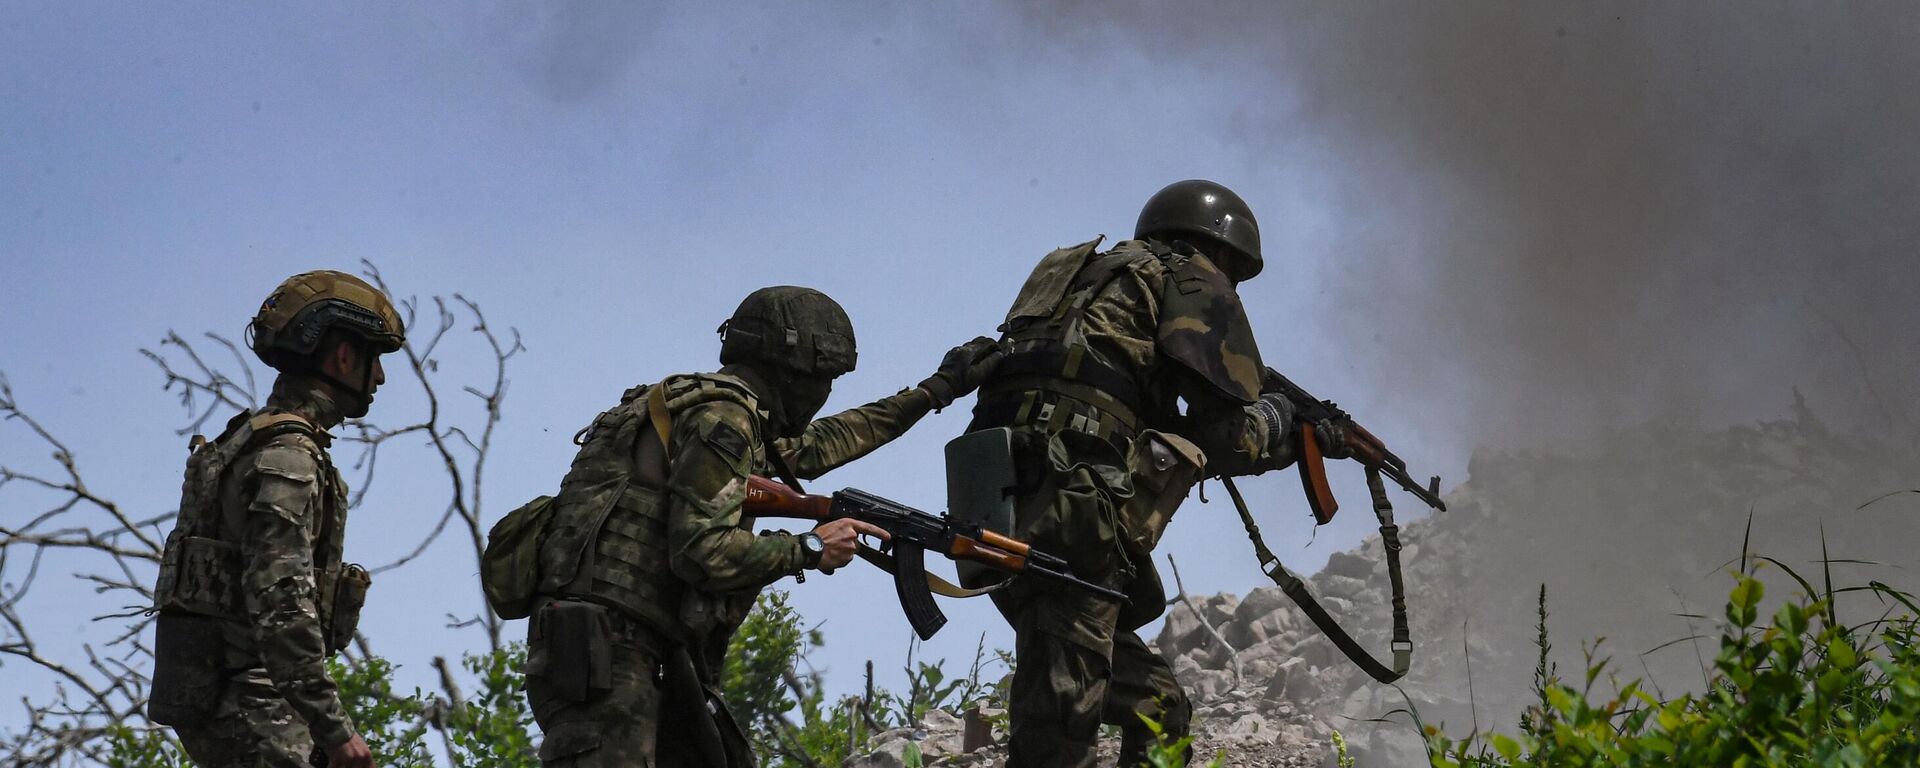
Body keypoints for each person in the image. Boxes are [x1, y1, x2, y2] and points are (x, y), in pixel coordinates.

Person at [525, 285, 1002, 767]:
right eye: (826, 378)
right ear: (794, 373)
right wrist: (811, 547)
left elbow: (826, 442)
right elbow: (700, 553)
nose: (826, 392)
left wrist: (934, 392)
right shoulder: (722, 418)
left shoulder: (697, 406)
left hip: (624, 649)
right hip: (611, 652)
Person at [963, 180, 1347, 767]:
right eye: (1233, 271)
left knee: (1158, 706)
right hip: (1072, 521)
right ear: (1218, 251)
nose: (1231, 283)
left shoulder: (1085, 280)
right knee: (1059, 738)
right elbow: (1226, 437)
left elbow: (1095, 392)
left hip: (995, 500)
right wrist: (1281, 426)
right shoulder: (1189, 279)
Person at [151, 270, 406, 768]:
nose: (379, 378)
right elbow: (281, 599)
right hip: (254, 705)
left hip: (235, 703)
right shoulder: (289, 455)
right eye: (374, 360)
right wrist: (334, 729)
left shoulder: (247, 441)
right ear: (344, 357)